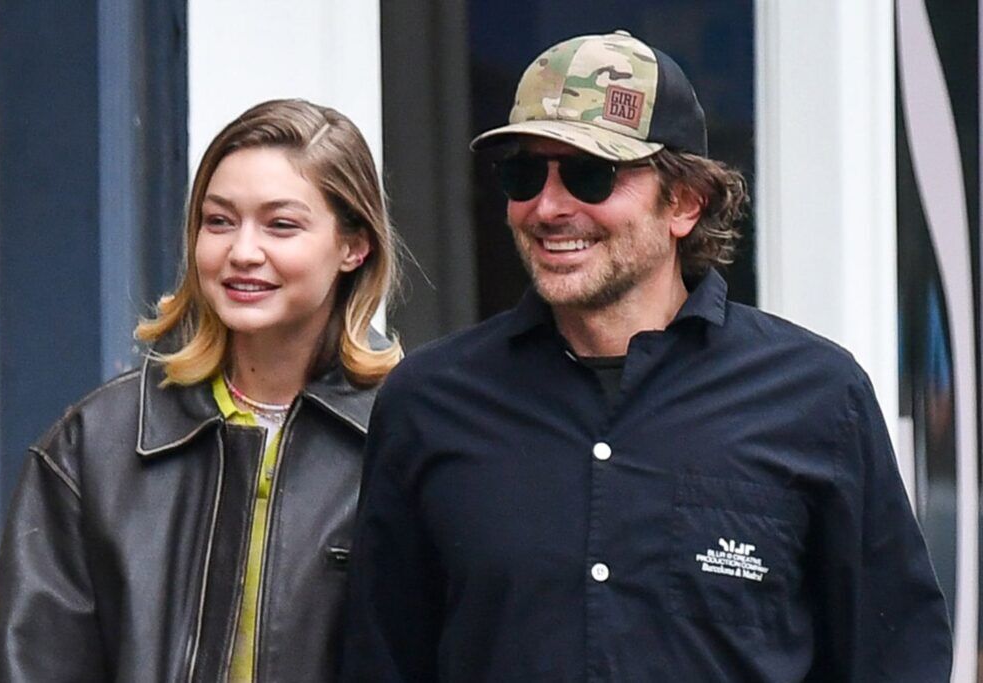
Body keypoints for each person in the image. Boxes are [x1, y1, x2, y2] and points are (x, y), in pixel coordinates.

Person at [341, 31, 952, 682]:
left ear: (686, 201)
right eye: (524, 173)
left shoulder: (819, 397)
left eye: (589, 173)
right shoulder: (430, 401)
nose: (548, 207)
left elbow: (897, 658)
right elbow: (382, 661)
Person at [0, 98, 401, 682]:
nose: (242, 252)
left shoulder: (411, 438)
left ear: (354, 246)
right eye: (219, 221)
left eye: (281, 224)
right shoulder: (97, 445)